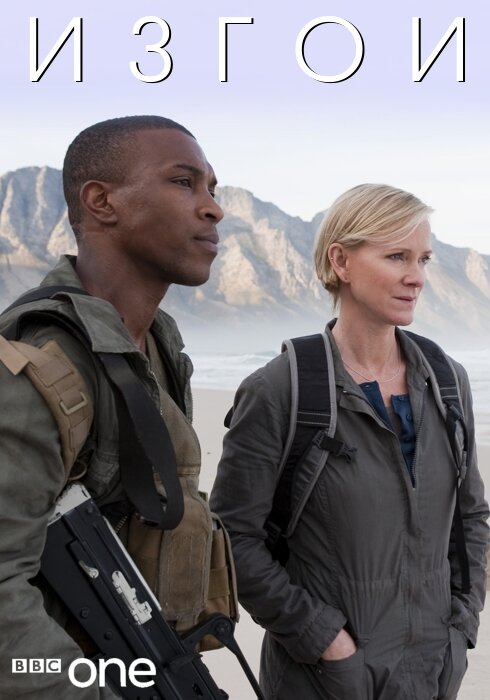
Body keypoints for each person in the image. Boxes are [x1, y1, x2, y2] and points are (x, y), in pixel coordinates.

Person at [210, 184, 489, 700]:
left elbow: (471, 516)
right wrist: (324, 640)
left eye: (423, 259)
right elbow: (232, 540)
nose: (418, 277)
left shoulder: (448, 382)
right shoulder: (281, 389)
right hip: (323, 681)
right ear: (340, 261)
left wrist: (461, 624)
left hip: (433, 674)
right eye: (397, 256)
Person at [0, 115, 224, 698]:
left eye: (212, 188)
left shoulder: (153, 348)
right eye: (184, 182)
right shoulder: (41, 362)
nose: (213, 209)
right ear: (101, 202)